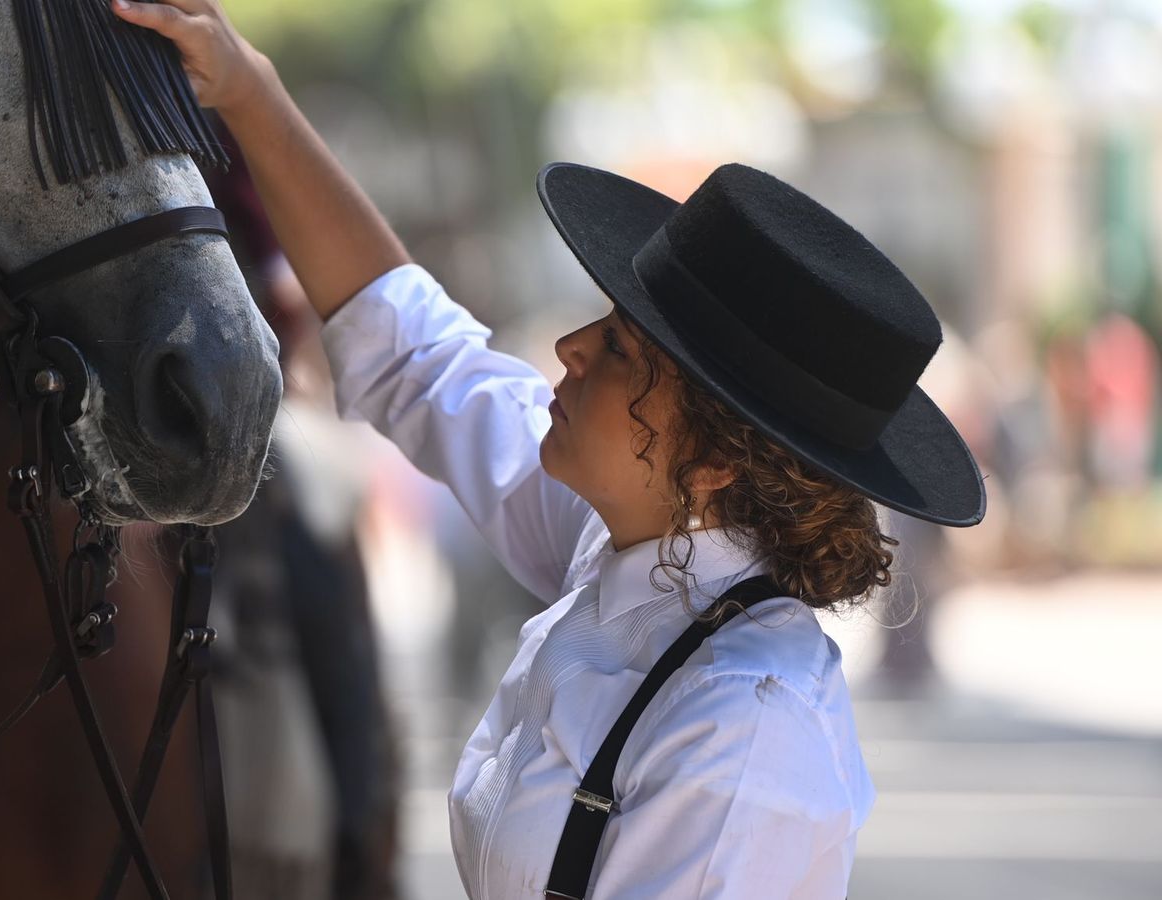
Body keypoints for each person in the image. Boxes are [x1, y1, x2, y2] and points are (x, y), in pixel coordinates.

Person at [108, 1, 987, 897]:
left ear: (719, 460)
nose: (570, 348)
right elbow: (417, 354)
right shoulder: (631, 544)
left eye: (621, 349)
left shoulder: (745, 739)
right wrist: (246, 90)